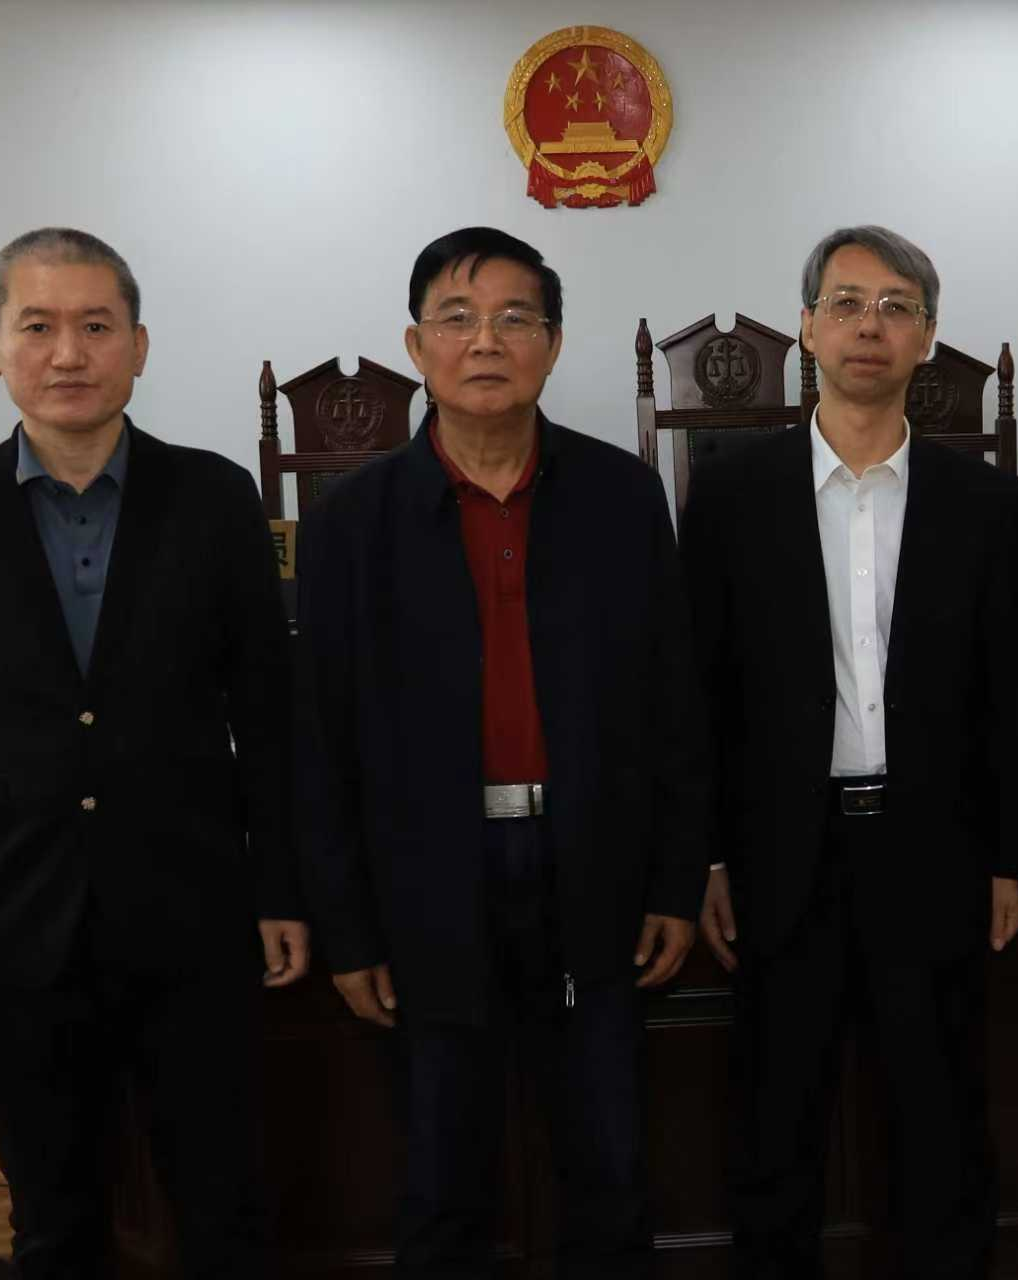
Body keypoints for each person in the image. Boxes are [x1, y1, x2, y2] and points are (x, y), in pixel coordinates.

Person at [0, 227, 305, 1278]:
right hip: (15, 925)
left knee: (225, 1212)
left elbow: (270, 716)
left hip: (196, 917)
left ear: (138, 346)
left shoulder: (215, 500)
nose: (68, 353)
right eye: (38, 326)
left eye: (96, 326)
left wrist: (283, 891)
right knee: (53, 1224)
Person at [294, 226, 710, 1279]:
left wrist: (674, 878)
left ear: (553, 344)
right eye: (458, 317)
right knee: (441, 1174)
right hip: (430, 884)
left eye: (515, 318)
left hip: (590, 871)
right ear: (415, 344)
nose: (486, 341)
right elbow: (320, 740)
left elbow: (673, 704)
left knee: (609, 1162)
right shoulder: (351, 523)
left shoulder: (620, 497)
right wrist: (346, 926)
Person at [682, 225, 1018, 1280]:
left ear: (927, 335)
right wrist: (707, 854)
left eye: (895, 307)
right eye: (845, 303)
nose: (868, 326)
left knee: (941, 1126)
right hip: (781, 857)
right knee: (775, 1130)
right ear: (806, 328)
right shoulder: (732, 493)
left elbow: (1012, 692)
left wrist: (1008, 856)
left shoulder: (985, 502)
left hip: (934, 853)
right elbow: (699, 691)